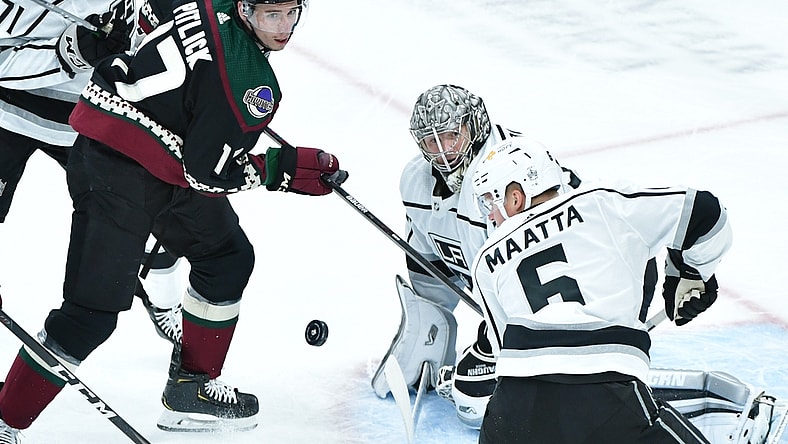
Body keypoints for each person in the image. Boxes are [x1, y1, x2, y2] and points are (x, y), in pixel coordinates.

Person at [0, 0, 344, 441]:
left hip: (137, 149)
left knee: (227, 255)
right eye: (269, 15)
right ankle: (6, 418)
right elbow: (208, 172)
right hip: (115, 171)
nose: (283, 27)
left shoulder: (201, 5)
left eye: (290, 12)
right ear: (243, 9)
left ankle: (190, 390)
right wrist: (279, 169)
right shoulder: (252, 83)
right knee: (90, 315)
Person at [469, 138, 730, 443]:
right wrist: (690, 272)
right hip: (605, 400)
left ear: (516, 196)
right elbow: (706, 211)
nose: (489, 214)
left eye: (490, 201)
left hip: (509, 417)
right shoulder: (600, 202)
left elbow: (506, 354)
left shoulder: (486, 259)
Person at [370, 84, 582, 427]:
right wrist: (430, 327)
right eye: (430, 140)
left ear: (474, 124)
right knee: (474, 398)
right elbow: (431, 268)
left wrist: (501, 335)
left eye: (452, 135)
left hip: (567, 304)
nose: (443, 150)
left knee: (477, 406)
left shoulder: (506, 169)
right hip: (511, 307)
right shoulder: (415, 182)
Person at [0, 0, 185, 345]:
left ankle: (165, 303)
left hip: (97, 113)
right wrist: (66, 54)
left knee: (153, 210)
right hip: (7, 111)